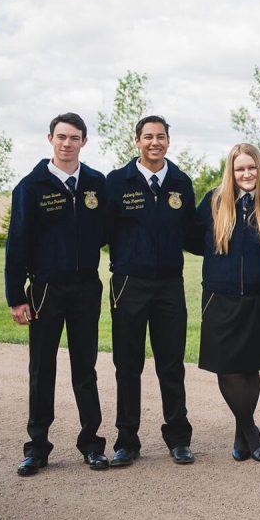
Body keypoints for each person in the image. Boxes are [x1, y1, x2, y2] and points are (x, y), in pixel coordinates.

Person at [5, 112, 109, 476]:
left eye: (75, 137)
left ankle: (92, 444)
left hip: (86, 289)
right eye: (61, 137)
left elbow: (112, 231)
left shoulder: (96, 183)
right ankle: (37, 448)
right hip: (46, 289)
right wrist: (16, 296)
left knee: (86, 368)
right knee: (41, 369)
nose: (68, 143)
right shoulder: (30, 187)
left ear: (84, 142)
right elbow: (16, 244)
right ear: (50, 139)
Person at [104, 115, 199, 468]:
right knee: (127, 365)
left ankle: (178, 438)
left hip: (170, 285)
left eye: (160, 137)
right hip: (129, 284)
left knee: (171, 364)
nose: (154, 142)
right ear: (137, 142)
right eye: (148, 137)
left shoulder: (180, 183)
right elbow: (102, 231)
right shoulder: (117, 182)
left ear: (168, 142)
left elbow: (193, 234)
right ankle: (127, 440)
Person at [195, 143, 260, 462]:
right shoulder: (214, 200)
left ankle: (241, 434)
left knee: (250, 367)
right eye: (240, 169)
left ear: (259, 168)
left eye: (251, 167)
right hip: (219, 295)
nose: (246, 173)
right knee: (226, 367)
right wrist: (218, 260)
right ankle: (250, 429)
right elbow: (192, 238)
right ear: (231, 171)